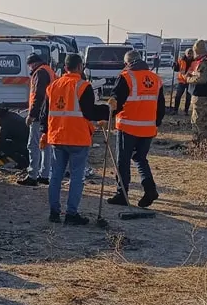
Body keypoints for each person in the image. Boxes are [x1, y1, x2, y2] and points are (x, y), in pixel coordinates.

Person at [41, 53, 109, 225]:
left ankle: (54, 213)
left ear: (65, 68)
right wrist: (108, 110)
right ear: (80, 67)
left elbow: (45, 113)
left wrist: (44, 132)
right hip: (78, 138)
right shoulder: (83, 86)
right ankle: (71, 214)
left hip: (57, 137)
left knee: (56, 175)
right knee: (77, 177)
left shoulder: (53, 86)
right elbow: (90, 112)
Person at [107, 50, 165, 207]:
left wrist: (108, 118)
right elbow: (161, 105)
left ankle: (122, 194)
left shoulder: (126, 77)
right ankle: (150, 189)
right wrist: (156, 122)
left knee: (123, 161)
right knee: (140, 158)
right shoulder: (155, 78)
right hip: (148, 129)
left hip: (128, 127)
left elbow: (116, 101)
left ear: (127, 63)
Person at [18, 53, 54, 186]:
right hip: (48, 114)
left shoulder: (39, 73)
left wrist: (31, 114)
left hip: (39, 115)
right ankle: (44, 175)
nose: (29, 68)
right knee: (45, 145)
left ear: (33, 63)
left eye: (29, 65)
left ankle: (32, 175)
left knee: (33, 145)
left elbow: (38, 95)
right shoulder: (48, 71)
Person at [185, 40, 207, 149]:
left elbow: (201, 79)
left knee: (198, 121)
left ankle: (201, 146)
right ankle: (199, 145)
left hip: (202, 95)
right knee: (200, 120)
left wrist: (188, 79)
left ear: (196, 50)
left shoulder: (204, 62)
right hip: (206, 94)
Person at [0, 107, 30, 175]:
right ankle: (21, 163)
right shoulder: (10, 115)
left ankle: (22, 163)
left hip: (24, 145)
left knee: (3, 148)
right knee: (4, 146)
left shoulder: (4, 123)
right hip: (26, 141)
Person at [171, 49, 194, 115]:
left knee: (188, 97)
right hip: (181, 81)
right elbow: (176, 69)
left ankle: (186, 111)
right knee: (178, 96)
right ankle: (175, 110)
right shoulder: (181, 60)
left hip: (190, 81)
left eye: (191, 53)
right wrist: (174, 66)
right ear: (186, 53)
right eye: (188, 53)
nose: (189, 55)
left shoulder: (195, 61)